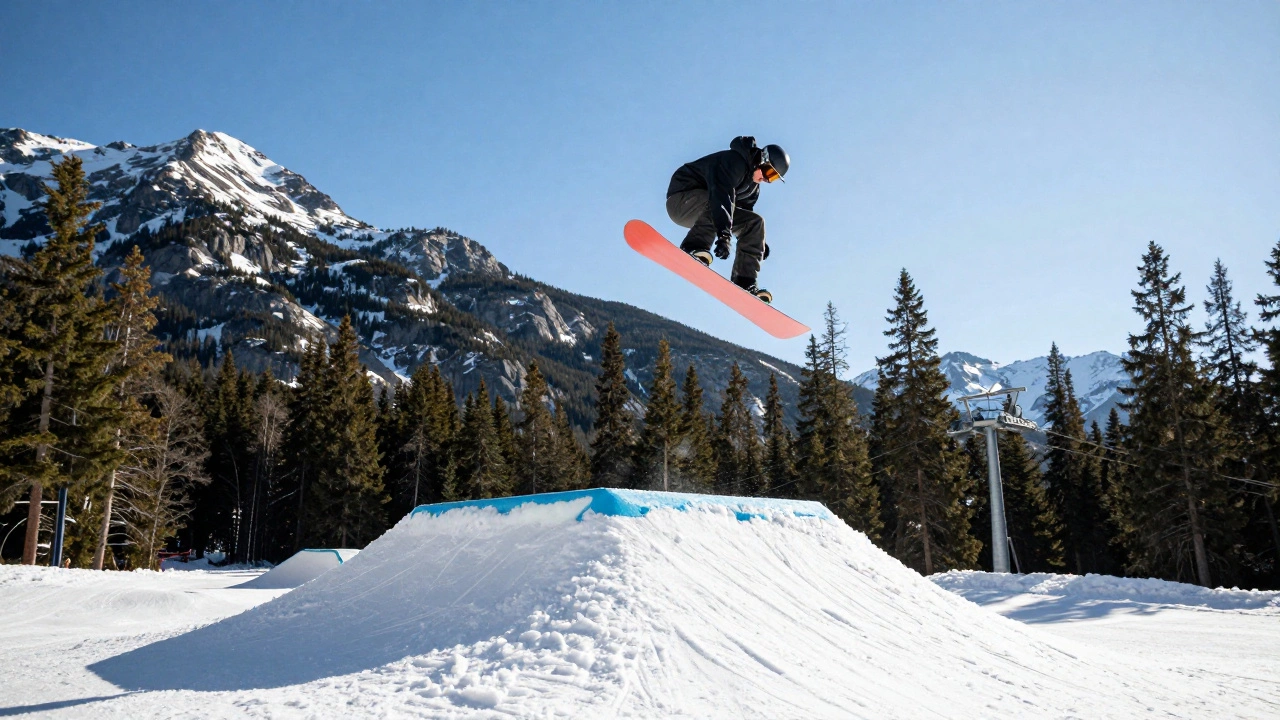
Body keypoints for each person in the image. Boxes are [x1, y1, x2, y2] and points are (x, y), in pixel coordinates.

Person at [666, 136, 789, 303]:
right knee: (716, 201)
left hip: (704, 211)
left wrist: (758, 242)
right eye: (768, 172)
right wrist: (724, 236)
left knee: (755, 223)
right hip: (682, 198)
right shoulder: (735, 161)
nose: (766, 180)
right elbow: (721, 195)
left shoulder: (753, 189)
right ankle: (693, 247)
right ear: (762, 159)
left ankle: (744, 281)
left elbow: (743, 216)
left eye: (773, 178)